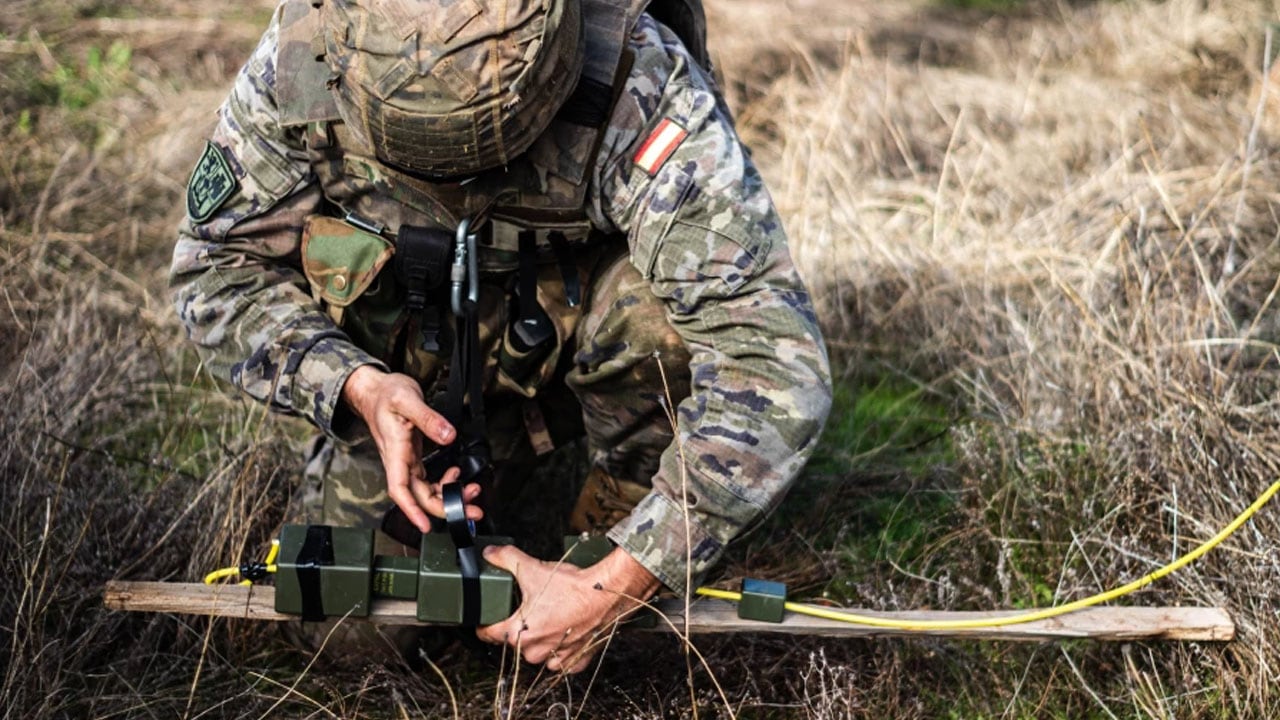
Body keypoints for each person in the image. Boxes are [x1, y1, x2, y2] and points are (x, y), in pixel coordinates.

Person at [171, 0, 831, 673]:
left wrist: (626, 581)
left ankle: (621, 503)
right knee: (349, 643)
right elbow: (215, 270)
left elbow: (770, 358)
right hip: (409, 393)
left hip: (572, 368)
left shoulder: (638, 82)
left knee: (657, 321)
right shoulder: (306, 56)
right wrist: (355, 386)